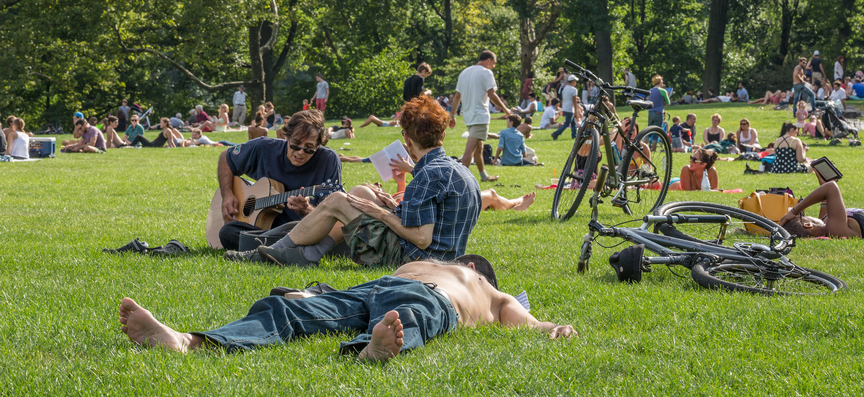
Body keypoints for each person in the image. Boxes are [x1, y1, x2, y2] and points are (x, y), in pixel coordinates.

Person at [116, 256, 576, 361]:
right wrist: (311, 299)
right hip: (375, 286)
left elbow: (530, 322)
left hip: (434, 299)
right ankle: (186, 339)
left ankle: (372, 347)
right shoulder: (424, 260)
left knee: (406, 315)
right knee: (285, 310)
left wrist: (553, 327)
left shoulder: (488, 290)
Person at [228, 96, 480, 267]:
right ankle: (311, 253)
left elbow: (422, 238)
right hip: (445, 257)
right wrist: (390, 205)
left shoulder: (426, 175)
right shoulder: (462, 172)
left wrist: (379, 214)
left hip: (415, 259)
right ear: (443, 135)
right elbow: (436, 222)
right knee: (360, 191)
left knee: (338, 199)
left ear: (407, 138)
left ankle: (271, 253)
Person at [215, 109, 344, 251]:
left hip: (302, 230)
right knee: (228, 231)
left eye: (309, 148)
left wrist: (307, 210)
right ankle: (286, 250)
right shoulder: (264, 147)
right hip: (265, 230)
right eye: (295, 144)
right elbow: (225, 157)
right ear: (286, 137)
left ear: (319, 145)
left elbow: (332, 216)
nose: (300, 152)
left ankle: (278, 248)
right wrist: (227, 194)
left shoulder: (328, 160)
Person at [450, 50, 510, 182]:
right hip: (480, 115)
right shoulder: (486, 72)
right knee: (470, 148)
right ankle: (459, 180)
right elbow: (492, 94)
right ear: (488, 60)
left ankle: (484, 176)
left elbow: (457, 97)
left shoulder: (464, 72)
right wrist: (506, 109)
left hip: (468, 116)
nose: (493, 66)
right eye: (493, 63)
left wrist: (453, 115)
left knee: (479, 147)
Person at [551, 75, 580, 141]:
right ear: (573, 81)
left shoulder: (565, 89)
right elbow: (574, 101)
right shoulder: (574, 90)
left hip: (565, 108)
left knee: (573, 123)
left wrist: (563, 109)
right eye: (575, 81)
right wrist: (576, 111)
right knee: (567, 124)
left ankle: (574, 135)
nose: (576, 82)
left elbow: (563, 100)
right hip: (570, 109)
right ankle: (556, 133)